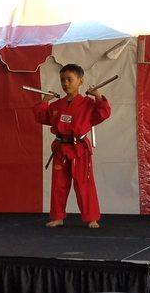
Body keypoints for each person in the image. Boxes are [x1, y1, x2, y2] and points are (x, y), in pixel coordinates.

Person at [33, 64, 111, 228]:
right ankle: (57, 216)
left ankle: (91, 218)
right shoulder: (56, 105)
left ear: (80, 81)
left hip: (79, 149)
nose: (65, 83)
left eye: (70, 79)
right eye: (63, 80)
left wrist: (98, 96)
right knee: (58, 184)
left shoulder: (88, 104)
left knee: (84, 183)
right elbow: (41, 117)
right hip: (61, 148)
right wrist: (45, 101)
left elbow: (103, 113)